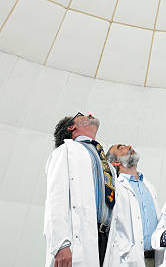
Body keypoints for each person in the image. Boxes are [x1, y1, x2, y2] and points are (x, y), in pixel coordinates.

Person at [43, 113, 119, 267]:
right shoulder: (65, 151)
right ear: (71, 127)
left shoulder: (107, 165)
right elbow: (55, 199)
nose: (90, 115)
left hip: (107, 239)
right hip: (77, 240)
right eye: (81, 115)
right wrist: (60, 244)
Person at [107, 144, 161, 267]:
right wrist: (128, 252)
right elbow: (111, 226)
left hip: (155, 258)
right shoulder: (115, 187)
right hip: (128, 260)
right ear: (115, 162)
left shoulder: (148, 185)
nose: (129, 146)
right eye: (121, 148)